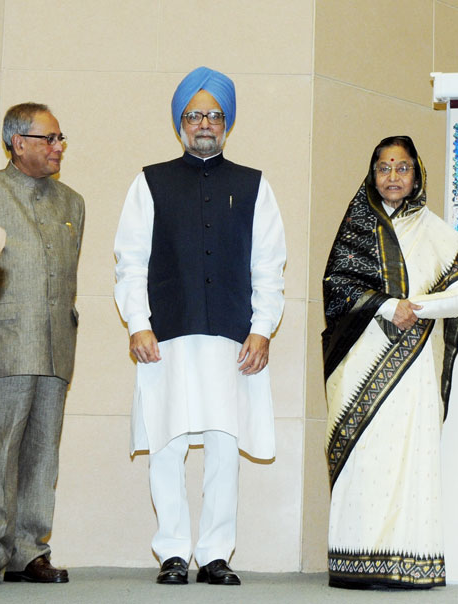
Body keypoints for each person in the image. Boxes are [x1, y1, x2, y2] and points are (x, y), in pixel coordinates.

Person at [113, 66, 286, 587]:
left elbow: (269, 264)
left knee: (222, 443)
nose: (204, 123)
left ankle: (214, 553)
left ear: (227, 122)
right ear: (180, 123)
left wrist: (263, 328)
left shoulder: (254, 185)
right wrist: (137, 324)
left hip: (232, 337)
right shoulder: (149, 182)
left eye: (213, 115)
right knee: (166, 443)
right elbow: (130, 261)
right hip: (165, 335)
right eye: (194, 115)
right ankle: (171, 551)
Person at [322, 135, 458, 589]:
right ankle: (355, 561)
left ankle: (408, 561)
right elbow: (337, 288)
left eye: (402, 167)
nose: (393, 177)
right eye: (384, 168)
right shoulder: (356, 228)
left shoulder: (437, 231)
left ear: (417, 176)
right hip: (361, 360)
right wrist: (387, 307)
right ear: (373, 175)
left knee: (410, 455)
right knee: (364, 457)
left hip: (411, 367)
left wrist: (414, 308)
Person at [0, 103, 84, 586]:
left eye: (60, 139)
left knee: (42, 451)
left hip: (56, 343)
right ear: (18, 142)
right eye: (49, 138)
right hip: (1, 342)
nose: (58, 148)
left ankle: (31, 550)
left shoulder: (73, 202)